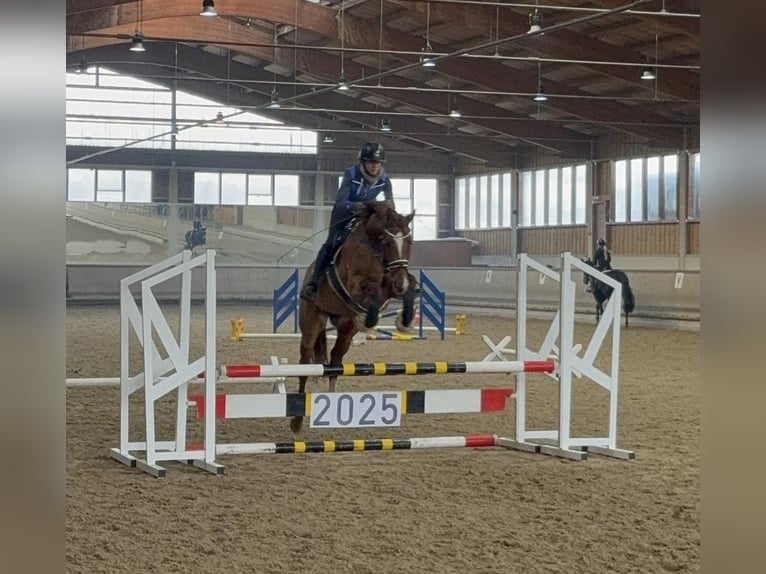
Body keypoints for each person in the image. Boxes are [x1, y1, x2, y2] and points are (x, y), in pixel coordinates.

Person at [300, 142, 394, 301]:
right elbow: (341, 201)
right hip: (344, 212)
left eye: (377, 163)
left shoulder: (385, 179)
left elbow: (390, 203)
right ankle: (313, 284)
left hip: (367, 214)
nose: (374, 167)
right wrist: (356, 206)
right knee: (332, 243)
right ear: (363, 162)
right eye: (371, 162)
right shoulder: (351, 174)